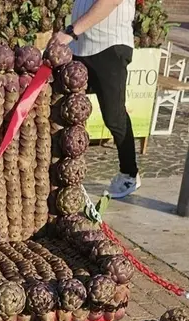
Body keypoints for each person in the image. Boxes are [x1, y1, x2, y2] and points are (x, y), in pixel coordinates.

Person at [52, 0, 141, 199]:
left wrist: (71, 31)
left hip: (109, 46)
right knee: (68, 110)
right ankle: (65, 170)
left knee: (114, 116)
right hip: (80, 47)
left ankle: (129, 173)